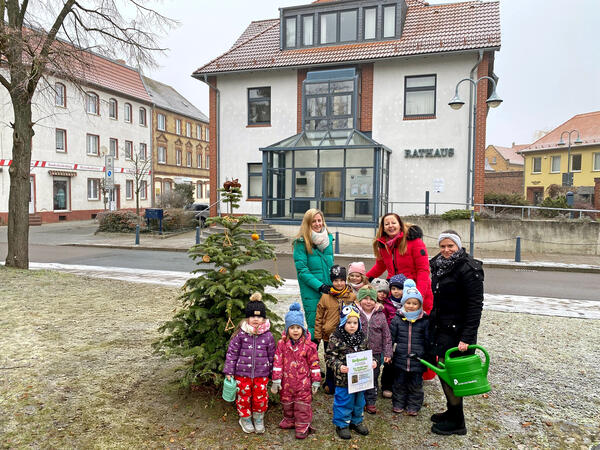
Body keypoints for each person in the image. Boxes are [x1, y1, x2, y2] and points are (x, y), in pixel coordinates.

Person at [429, 230, 484, 436]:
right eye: (443, 246)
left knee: (452, 374)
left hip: (458, 332)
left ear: (458, 246)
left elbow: (475, 306)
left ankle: (458, 421)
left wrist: (467, 338)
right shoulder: (439, 265)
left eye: (450, 246)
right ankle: (452, 411)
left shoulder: (469, 269)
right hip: (442, 328)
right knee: (444, 371)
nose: (446, 250)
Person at [223, 293, 276, 434]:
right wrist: (229, 371)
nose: (256, 319)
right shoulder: (241, 334)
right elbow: (232, 353)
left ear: (263, 318)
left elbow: (272, 356)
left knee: (261, 396)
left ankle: (259, 418)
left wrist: (273, 374)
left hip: (261, 374)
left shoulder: (268, 336)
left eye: (259, 317)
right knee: (244, 397)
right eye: (253, 316)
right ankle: (245, 418)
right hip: (242, 374)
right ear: (248, 317)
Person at [326, 304, 377, 440]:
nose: (352, 326)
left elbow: (367, 353)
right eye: (349, 322)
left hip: (360, 379)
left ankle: (356, 421)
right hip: (343, 379)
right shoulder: (336, 337)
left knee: (359, 401)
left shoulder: (361, 337)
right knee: (344, 401)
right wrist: (339, 366)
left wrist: (372, 361)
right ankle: (342, 424)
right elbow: (330, 357)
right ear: (343, 323)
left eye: (355, 323)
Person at [271, 303, 321, 439]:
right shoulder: (282, 344)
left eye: (298, 327)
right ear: (287, 329)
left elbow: (314, 364)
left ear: (302, 329)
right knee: (287, 402)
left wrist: (316, 381)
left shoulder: (309, 346)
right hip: (286, 382)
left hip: (303, 383)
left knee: (302, 406)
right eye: (292, 328)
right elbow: (277, 361)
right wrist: (276, 379)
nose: (295, 331)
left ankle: (302, 425)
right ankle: (290, 419)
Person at [366, 213, 433, 314]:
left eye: (393, 223)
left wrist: (418, 295)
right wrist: (363, 279)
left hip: (414, 288)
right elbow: (380, 266)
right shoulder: (384, 245)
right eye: (387, 224)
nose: (390, 226)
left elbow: (423, 270)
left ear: (400, 225)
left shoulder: (415, 242)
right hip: (394, 291)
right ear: (383, 228)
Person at [314, 265, 357, 394]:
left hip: (346, 335)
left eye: (341, 280)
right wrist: (318, 334)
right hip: (329, 335)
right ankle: (330, 382)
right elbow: (319, 317)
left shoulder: (351, 296)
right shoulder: (326, 297)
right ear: (332, 281)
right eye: (336, 280)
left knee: (344, 359)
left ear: (345, 280)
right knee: (330, 360)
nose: (339, 283)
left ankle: (343, 384)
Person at [389, 280, 429, 416]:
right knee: (399, 383)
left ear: (419, 305)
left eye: (415, 303)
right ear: (403, 303)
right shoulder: (397, 319)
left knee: (416, 385)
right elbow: (391, 339)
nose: (411, 306)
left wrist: (427, 356)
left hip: (417, 360)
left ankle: (413, 406)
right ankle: (398, 403)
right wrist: (390, 353)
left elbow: (428, 340)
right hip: (400, 359)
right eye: (408, 303)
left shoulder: (424, 320)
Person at [293, 209, 334, 337]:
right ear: (307, 223)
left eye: (319, 220)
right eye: (313, 221)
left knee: (330, 328)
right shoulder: (300, 243)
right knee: (314, 328)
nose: (317, 224)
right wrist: (320, 286)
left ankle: (329, 357)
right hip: (312, 291)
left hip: (329, 290)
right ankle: (311, 357)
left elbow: (330, 266)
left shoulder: (328, 240)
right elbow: (302, 271)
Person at [357, 285, 392, 414]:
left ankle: (371, 401)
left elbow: (386, 335)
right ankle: (359, 402)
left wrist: (387, 352)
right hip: (358, 353)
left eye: (371, 299)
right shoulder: (354, 313)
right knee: (359, 377)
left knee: (373, 377)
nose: (368, 302)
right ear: (359, 299)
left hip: (375, 352)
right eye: (365, 298)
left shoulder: (380, 315)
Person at [379, 273, 406, 398]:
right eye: (393, 289)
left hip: (404, 338)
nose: (396, 292)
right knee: (389, 363)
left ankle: (399, 386)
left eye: (399, 289)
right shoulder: (387, 304)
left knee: (401, 364)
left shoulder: (408, 303)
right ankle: (386, 385)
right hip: (390, 338)